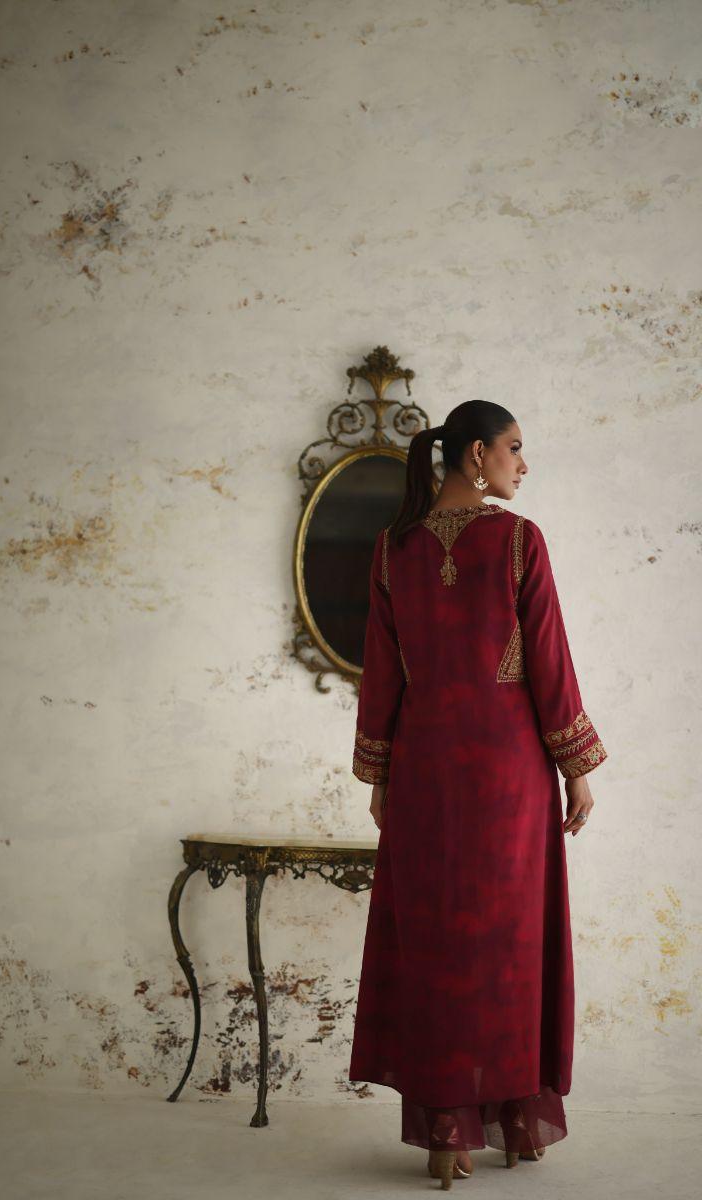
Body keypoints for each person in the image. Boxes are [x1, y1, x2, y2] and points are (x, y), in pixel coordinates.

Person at [348, 400, 607, 1190]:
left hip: (424, 772)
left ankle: (448, 1135)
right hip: (507, 774)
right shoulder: (520, 541)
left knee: (437, 947)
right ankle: (518, 1122)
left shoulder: (392, 549)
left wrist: (380, 774)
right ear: (474, 455)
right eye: (513, 449)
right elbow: (549, 661)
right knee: (509, 947)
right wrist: (577, 765)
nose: (522, 465)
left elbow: (381, 676)